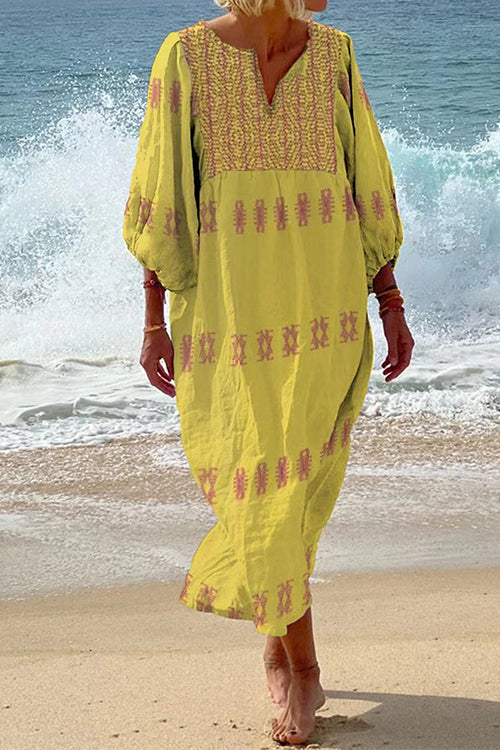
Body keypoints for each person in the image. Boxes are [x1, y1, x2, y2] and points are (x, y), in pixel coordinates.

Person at [122, 0, 415, 744]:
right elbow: (162, 198)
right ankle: (300, 664)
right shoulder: (185, 56)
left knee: (294, 492)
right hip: (229, 321)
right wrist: (154, 320)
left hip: (324, 316)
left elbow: (366, 182)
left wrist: (390, 301)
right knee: (260, 485)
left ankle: (286, 655)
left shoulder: (336, 53)